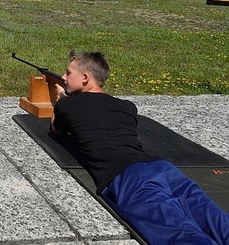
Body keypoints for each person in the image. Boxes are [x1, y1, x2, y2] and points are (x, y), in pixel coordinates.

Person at [51, 50, 229, 244]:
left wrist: (60, 101)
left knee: (178, 233)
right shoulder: (127, 106)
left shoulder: (68, 105)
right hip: (164, 169)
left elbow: (56, 130)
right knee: (216, 221)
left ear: (85, 77)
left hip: (129, 177)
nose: (63, 77)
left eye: (68, 73)